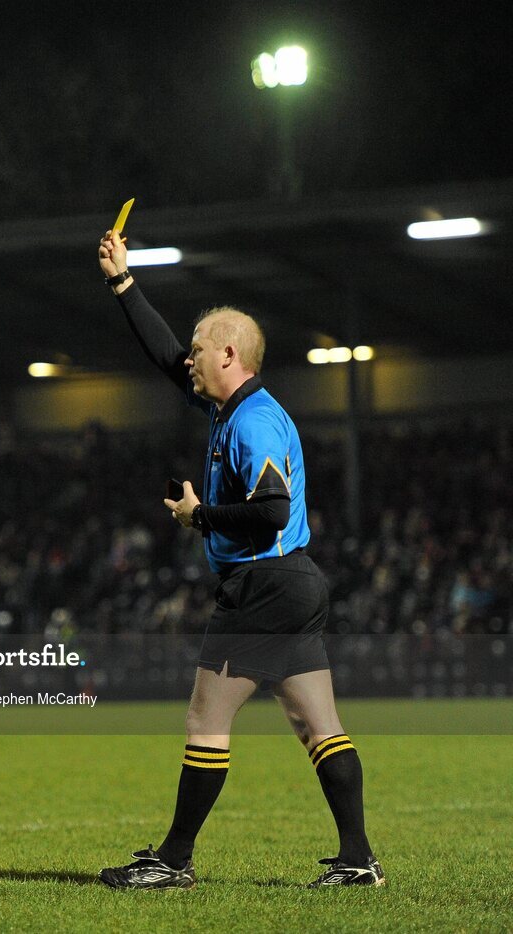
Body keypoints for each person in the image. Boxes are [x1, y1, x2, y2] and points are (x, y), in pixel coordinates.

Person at [95, 231, 383, 889]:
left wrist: (200, 517)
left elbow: (272, 510)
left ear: (230, 353)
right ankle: (359, 861)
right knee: (319, 726)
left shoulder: (252, 422)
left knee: (206, 720)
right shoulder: (234, 408)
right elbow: (168, 357)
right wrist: (123, 283)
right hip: (294, 582)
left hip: (264, 583)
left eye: (200, 351)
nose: (189, 362)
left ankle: (172, 861)